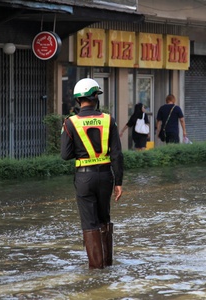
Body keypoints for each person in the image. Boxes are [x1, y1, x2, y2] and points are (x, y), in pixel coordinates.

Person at [61, 78, 123, 269]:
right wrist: (118, 182)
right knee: (104, 218)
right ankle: (107, 264)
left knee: (89, 222)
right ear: (95, 97)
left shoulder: (70, 123)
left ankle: (96, 271)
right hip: (106, 176)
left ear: (79, 100)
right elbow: (117, 154)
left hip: (83, 177)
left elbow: (65, 155)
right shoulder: (108, 120)